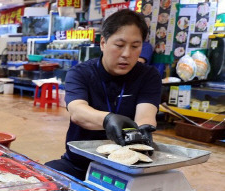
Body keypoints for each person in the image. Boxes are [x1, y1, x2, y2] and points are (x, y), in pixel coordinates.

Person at [45, 9, 161, 180]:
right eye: (119, 45)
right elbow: (77, 111)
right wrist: (107, 120)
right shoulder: (80, 73)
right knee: (44, 177)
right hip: (79, 165)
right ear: (103, 43)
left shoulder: (148, 76)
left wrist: (144, 128)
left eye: (135, 46)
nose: (127, 54)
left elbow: (146, 115)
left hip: (126, 168)